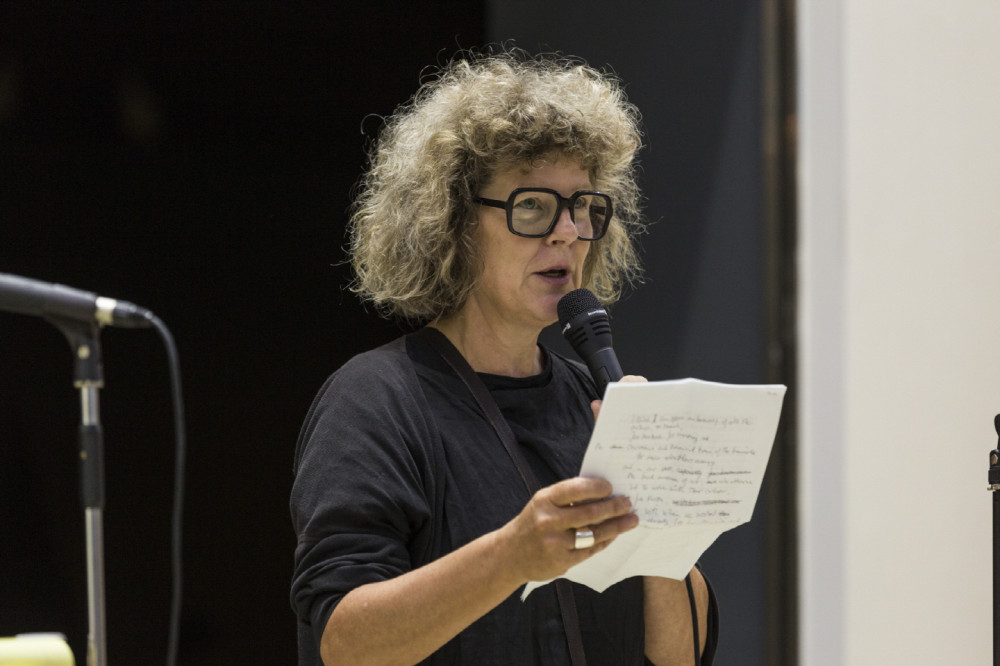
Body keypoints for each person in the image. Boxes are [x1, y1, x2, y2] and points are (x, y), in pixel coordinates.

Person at [290, 49, 718, 665]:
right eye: (534, 206)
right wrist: (512, 557)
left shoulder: (594, 402)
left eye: (583, 206)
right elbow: (344, 645)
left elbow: (679, 655)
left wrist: (659, 513)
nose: (567, 231)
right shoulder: (376, 401)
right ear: (454, 225)